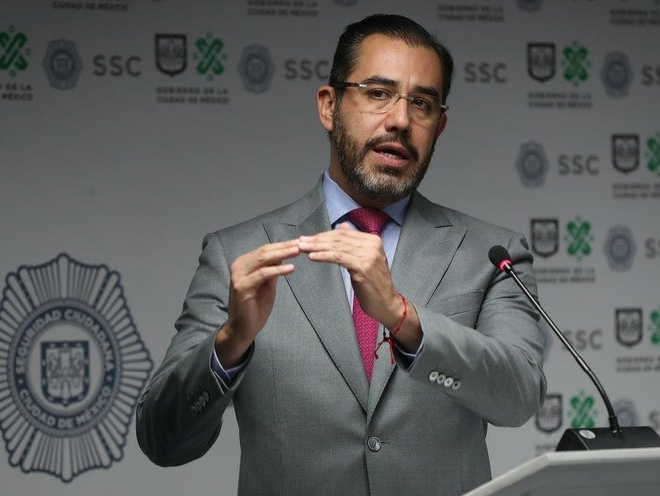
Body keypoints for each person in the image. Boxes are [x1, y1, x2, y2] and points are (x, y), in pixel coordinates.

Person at [136, 14, 546, 496]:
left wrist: (403, 318)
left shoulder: (490, 255)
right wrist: (231, 341)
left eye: (422, 103)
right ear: (329, 107)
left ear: (439, 126)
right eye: (378, 93)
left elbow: (518, 396)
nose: (400, 120)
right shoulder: (239, 254)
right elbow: (162, 439)